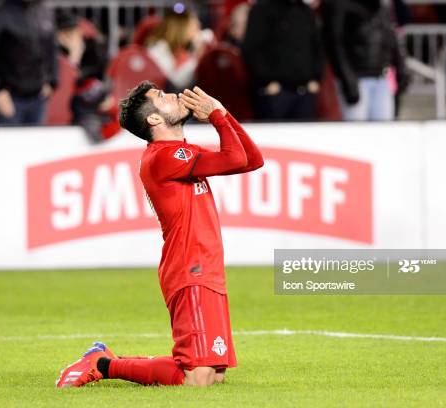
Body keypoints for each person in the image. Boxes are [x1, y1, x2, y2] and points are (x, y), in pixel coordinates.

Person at [55, 82, 264, 388]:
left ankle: (107, 358)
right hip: (190, 267)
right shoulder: (163, 156)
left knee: (215, 375)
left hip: (206, 268)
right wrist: (217, 115)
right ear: (154, 119)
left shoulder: (182, 154)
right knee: (197, 377)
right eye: (163, 98)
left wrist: (224, 114)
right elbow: (235, 158)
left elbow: (252, 160)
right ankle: (102, 364)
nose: (175, 96)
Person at [0, 0, 58, 126]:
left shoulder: (45, 11)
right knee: (6, 144)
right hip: (9, 97)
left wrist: (52, 80)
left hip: (38, 97)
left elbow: (52, 50)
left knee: (35, 143)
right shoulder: (0, 13)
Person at [323, 0, 408, 121]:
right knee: (357, 134)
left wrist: (401, 67)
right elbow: (335, 44)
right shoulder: (339, 4)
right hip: (357, 79)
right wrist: (348, 81)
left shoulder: (382, 5)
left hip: (382, 78)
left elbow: (390, 35)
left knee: (384, 133)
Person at [242, 0, 324, 120]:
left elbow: (317, 47)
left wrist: (316, 78)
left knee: (304, 136)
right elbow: (252, 50)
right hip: (274, 92)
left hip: (305, 90)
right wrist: (266, 81)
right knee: (273, 136)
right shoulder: (262, 9)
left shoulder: (306, 11)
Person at [146, 8, 207, 93]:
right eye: (194, 26)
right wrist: (198, 57)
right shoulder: (158, 50)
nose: (198, 28)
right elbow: (173, 84)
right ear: (181, 28)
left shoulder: (187, 51)